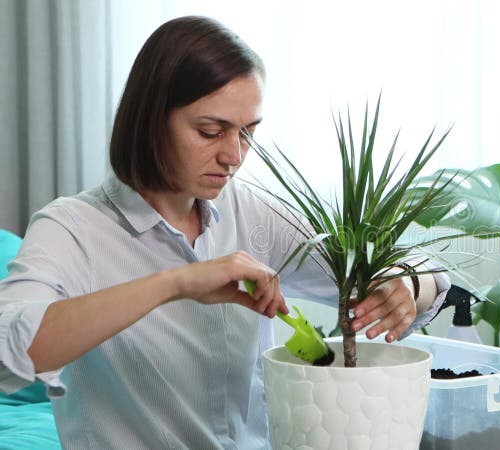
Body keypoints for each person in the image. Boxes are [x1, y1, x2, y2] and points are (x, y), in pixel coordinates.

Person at [0, 16, 449, 449]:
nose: (234, 156)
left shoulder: (250, 211)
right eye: (211, 131)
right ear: (151, 118)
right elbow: (12, 352)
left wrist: (411, 283)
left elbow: (392, 268)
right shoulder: (71, 229)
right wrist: (176, 284)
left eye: (248, 133)